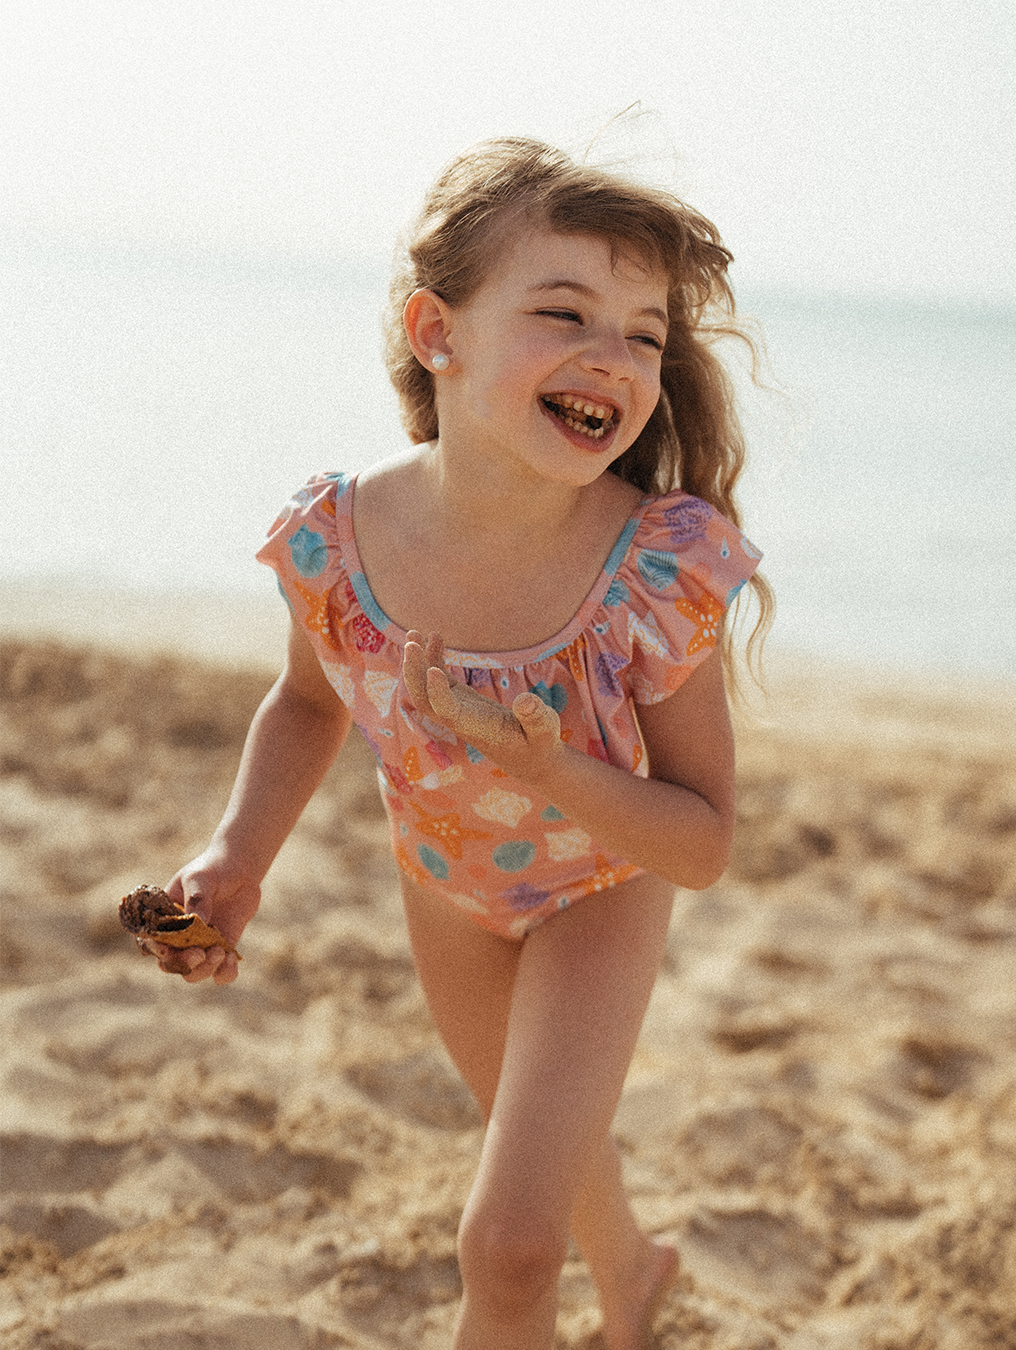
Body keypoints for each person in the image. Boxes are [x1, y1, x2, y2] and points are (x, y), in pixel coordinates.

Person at [148, 137, 771, 1350]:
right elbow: (309, 703)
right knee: (548, 1144)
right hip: (446, 898)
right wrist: (236, 857)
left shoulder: (654, 564)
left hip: (602, 890)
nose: (616, 356)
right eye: (565, 313)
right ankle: (636, 1273)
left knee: (507, 1242)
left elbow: (699, 845)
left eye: (646, 334)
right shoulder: (338, 541)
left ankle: (610, 1276)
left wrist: (550, 769)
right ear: (440, 333)